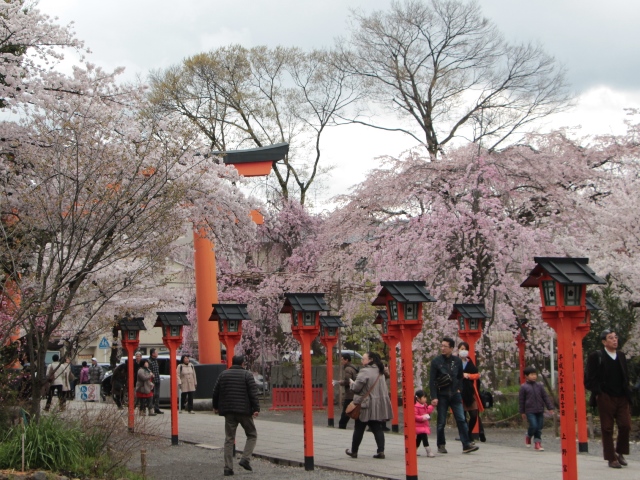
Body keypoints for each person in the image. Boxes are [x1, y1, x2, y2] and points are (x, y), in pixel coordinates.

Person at [584, 329, 632, 469]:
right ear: (604, 342)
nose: (614, 340)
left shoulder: (621, 356)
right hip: (606, 396)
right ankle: (611, 458)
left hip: (621, 396)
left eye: (616, 337)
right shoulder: (596, 356)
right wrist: (599, 392)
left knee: (625, 425)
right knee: (607, 428)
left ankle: (620, 452)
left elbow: (625, 376)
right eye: (610, 338)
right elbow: (589, 379)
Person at [212, 354, 260, 477]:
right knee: (252, 434)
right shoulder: (247, 375)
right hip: (244, 411)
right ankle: (245, 458)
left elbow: (216, 391)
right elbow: (253, 393)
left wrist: (215, 406)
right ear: (242, 363)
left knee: (229, 439)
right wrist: (256, 408)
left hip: (228, 411)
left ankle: (228, 468)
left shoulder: (223, 374)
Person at [429, 337, 479, 454]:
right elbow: (432, 381)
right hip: (442, 394)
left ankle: (466, 444)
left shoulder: (457, 361)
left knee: (461, 419)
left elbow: (460, 377)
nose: (443, 348)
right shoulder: (436, 362)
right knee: (441, 421)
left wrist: (459, 389)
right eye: (441, 346)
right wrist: (434, 396)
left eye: (445, 346)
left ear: (451, 348)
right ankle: (441, 444)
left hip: (455, 394)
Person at [345, 351, 393, 460]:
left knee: (359, 428)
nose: (362, 360)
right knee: (377, 428)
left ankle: (354, 451)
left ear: (370, 360)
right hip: (377, 405)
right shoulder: (380, 371)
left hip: (365, 404)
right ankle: (381, 451)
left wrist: (352, 384)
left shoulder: (365, 371)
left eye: (364, 358)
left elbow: (357, 388)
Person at [518, 366, 554, 451]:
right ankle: (528, 435)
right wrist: (522, 412)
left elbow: (545, 397)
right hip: (530, 410)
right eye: (531, 374)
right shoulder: (524, 387)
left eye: (535, 374)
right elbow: (521, 400)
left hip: (540, 409)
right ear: (526, 376)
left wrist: (550, 407)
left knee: (539, 427)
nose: (534, 376)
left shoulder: (539, 386)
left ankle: (537, 443)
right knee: (533, 425)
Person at [458, 342, 486, 443]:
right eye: (461, 348)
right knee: (462, 416)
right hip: (459, 392)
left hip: (470, 392)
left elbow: (476, 375)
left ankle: (469, 433)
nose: (463, 351)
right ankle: (465, 437)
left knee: (474, 414)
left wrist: (468, 376)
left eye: (465, 349)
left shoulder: (470, 363)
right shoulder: (455, 362)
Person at [337, 353, 359, 429]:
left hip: (350, 393)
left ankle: (342, 425)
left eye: (342, 359)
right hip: (355, 393)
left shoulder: (347, 369)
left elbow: (347, 380)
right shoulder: (354, 368)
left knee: (346, 411)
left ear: (346, 360)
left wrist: (341, 382)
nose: (341, 361)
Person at [414, 389, 435, 457]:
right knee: (424, 437)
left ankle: (414, 450)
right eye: (424, 397)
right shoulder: (415, 406)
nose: (425, 399)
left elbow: (428, 411)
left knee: (419, 439)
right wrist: (422, 418)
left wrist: (432, 406)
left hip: (423, 425)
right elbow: (415, 416)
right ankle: (428, 450)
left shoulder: (424, 405)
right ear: (419, 398)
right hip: (419, 425)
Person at [148, 348, 163, 414]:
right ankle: (151, 408)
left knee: (157, 395)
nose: (157, 353)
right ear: (153, 354)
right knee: (152, 395)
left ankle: (157, 408)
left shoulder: (156, 361)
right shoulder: (149, 361)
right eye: (156, 352)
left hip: (157, 380)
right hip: (152, 381)